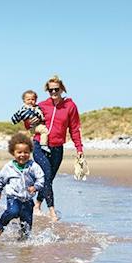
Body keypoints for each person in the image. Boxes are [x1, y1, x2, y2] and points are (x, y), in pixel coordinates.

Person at [29, 75, 84, 222]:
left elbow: (74, 128)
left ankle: (37, 205)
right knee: (46, 175)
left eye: (56, 89)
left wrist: (79, 148)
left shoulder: (70, 107)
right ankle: (52, 211)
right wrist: (29, 122)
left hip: (57, 148)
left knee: (48, 179)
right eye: (50, 90)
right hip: (40, 145)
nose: (53, 92)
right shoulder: (41, 105)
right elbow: (29, 126)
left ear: (62, 89)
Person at [0, 133, 45, 237]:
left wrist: (36, 187)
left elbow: (41, 178)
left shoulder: (33, 166)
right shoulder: (9, 167)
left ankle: (23, 244)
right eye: (19, 152)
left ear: (30, 152)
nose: (22, 155)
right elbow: (1, 180)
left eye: (26, 152)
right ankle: (0, 224)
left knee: (27, 227)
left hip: (28, 200)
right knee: (13, 211)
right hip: (13, 197)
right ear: (13, 152)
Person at [10, 89, 50, 154]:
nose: (30, 101)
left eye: (32, 99)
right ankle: (43, 144)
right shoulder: (24, 109)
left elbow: (42, 116)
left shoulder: (37, 108)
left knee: (43, 129)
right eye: (28, 99)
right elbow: (17, 116)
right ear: (24, 100)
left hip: (38, 124)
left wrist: (42, 119)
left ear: (36, 100)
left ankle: (43, 143)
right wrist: (14, 120)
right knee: (44, 130)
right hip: (32, 127)